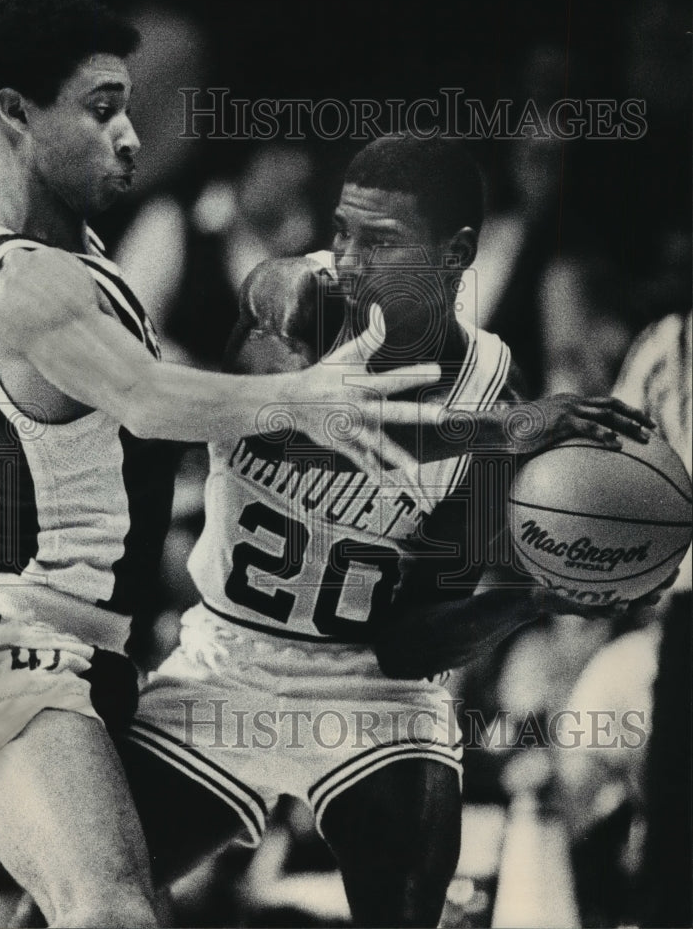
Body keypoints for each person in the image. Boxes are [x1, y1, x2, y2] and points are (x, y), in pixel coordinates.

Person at [0, 0, 452, 929]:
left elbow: (43, 378)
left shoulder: (39, 242)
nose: (129, 137)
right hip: (10, 646)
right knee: (111, 909)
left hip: (95, 650)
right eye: (102, 108)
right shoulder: (34, 275)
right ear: (15, 112)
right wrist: (304, 397)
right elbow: (149, 401)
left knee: (81, 904)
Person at [118, 136, 656, 927]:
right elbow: (271, 293)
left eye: (380, 241)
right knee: (86, 895)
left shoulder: (490, 385)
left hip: (370, 689)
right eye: (341, 230)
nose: (348, 258)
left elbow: (412, 644)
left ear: (455, 255)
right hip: (229, 661)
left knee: (410, 883)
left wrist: (533, 598)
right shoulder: (298, 307)